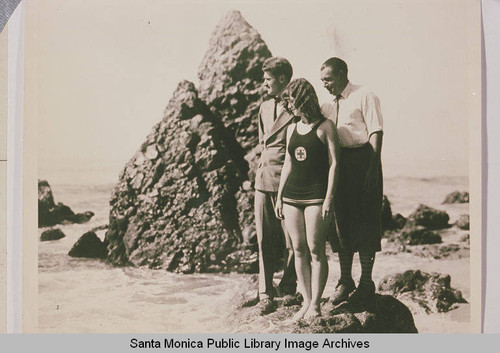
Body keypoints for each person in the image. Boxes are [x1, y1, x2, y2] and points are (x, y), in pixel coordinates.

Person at [320, 57, 384, 304]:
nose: (325, 84)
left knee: (367, 222)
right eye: (322, 80)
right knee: (341, 223)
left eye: (328, 79)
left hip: (364, 160)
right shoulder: (327, 105)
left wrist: (373, 166)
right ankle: (345, 280)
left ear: (342, 74)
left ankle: (366, 282)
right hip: (339, 164)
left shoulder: (363, 94)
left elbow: (376, 131)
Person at [275, 78, 340, 321]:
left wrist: (329, 198)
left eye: (291, 101)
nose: (289, 106)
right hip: (292, 195)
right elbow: (287, 164)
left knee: (316, 250)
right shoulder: (292, 128)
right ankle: (305, 301)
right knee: (298, 250)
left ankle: (315, 305)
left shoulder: (326, 127)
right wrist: (280, 197)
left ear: (303, 99)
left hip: (316, 195)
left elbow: (335, 164)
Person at [254, 57, 298, 315]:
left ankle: (289, 286)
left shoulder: (296, 107)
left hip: (288, 178)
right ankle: (264, 291)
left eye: (268, 79)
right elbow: (262, 144)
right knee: (263, 239)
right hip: (264, 179)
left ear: (282, 79)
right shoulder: (263, 106)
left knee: (292, 241)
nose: (264, 84)